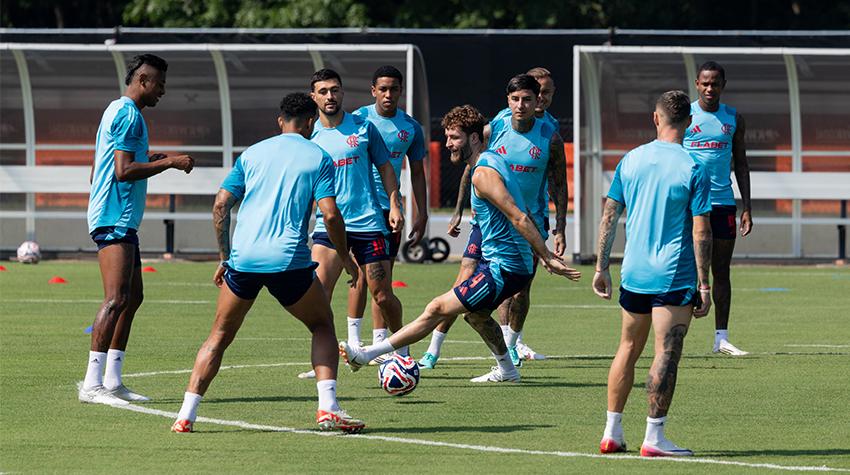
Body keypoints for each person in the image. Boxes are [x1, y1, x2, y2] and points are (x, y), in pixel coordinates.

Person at [341, 105, 581, 383]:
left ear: (475, 138)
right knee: (476, 315)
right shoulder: (490, 161)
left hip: (505, 267)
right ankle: (507, 370)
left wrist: (546, 255)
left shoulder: (484, 173)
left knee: (436, 308)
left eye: (455, 138)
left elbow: (518, 216)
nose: (448, 144)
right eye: (447, 137)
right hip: (506, 264)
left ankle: (367, 354)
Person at [170, 93, 364, 434]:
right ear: (310, 123)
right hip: (288, 261)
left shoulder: (253, 153)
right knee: (322, 325)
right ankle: (327, 408)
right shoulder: (318, 156)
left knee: (218, 336)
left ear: (280, 122)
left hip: (243, 260)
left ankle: (186, 415)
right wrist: (346, 257)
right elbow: (330, 214)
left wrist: (224, 257)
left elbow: (220, 206)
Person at [419, 73, 568, 369]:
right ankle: (433, 350)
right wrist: (459, 209)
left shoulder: (550, 136)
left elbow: (559, 183)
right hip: (486, 222)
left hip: (529, 222)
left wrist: (560, 227)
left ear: (538, 100)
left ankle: (510, 346)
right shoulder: (495, 127)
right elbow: (471, 164)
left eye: (528, 99)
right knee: (462, 280)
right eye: (516, 99)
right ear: (508, 100)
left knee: (520, 290)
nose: (521, 105)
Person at [592, 90, 712, 457]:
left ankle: (612, 432)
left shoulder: (630, 160)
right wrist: (704, 284)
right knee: (667, 352)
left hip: (634, 272)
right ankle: (655, 438)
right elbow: (701, 231)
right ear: (689, 123)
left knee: (627, 347)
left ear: (656, 119)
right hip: (673, 274)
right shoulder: (695, 166)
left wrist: (601, 267)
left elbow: (609, 215)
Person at [80, 54, 194, 405]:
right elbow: (123, 171)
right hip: (114, 216)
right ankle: (92, 384)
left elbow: (112, 163)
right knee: (116, 299)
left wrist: (155, 158)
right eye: (159, 84)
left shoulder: (118, 110)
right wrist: (170, 163)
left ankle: (113, 380)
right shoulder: (129, 114)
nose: (162, 91)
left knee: (133, 297)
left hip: (119, 217)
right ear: (143, 80)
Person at [297, 69, 405, 380]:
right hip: (328, 228)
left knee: (382, 295)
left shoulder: (363, 127)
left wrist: (395, 204)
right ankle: (323, 361)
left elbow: (386, 167)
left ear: (343, 93)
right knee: (318, 295)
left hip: (370, 223)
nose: (330, 96)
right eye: (323, 91)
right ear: (313, 97)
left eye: (335, 90)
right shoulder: (309, 135)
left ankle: (402, 353)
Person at [345, 65, 428, 355]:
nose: (388, 94)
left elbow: (417, 172)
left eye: (394, 88)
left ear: (401, 91)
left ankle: (382, 346)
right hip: (356, 209)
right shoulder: (357, 120)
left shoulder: (410, 128)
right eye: (383, 88)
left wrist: (422, 213)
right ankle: (353, 343)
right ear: (373, 91)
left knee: (381, 282)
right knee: (356, 274)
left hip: (388, 212)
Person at [684, 61, 752, 356]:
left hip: (723, 204)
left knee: (721, 270)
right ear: (696, 84)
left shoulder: (733, 118)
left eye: (715, 83)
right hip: (690, 205)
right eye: (705, 83)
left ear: (723, 85)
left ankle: (721, 338)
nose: (710, 88)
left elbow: (742, 163)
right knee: (684, 268)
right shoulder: (684, 115)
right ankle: (677, 333)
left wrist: (746, 207)